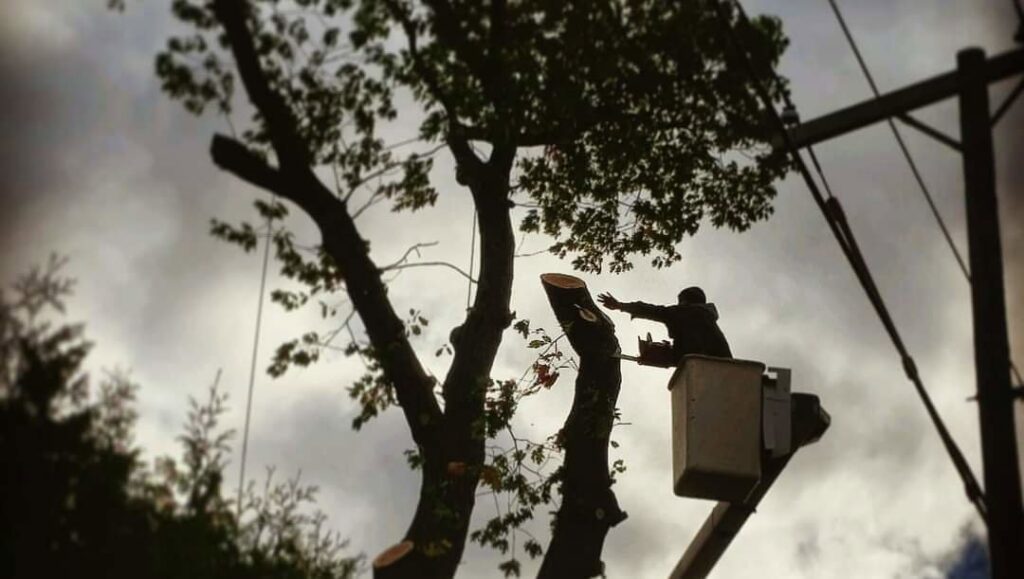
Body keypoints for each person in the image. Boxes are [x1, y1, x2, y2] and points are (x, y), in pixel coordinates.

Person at [597, 286, 732, 360]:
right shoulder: (707, 316)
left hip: (697, 359)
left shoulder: (685, 311)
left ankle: (656, 351)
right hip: (723, 362)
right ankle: (660, 351)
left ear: (685, 301)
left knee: (666, 352)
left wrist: (620, 305)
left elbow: (651, 310)